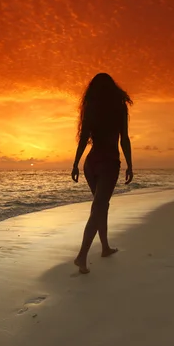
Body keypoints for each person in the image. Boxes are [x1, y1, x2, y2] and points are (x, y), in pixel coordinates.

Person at [71, 73, 133, 274]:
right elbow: (124, 139)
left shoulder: (91, 109)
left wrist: (76, 163)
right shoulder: (118, 108)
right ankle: (82, 256)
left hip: (91, 164)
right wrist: (130, 165)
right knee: (99, 207)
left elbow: (83, 140)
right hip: (108, 163)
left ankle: (105, 248)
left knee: (100, 206)